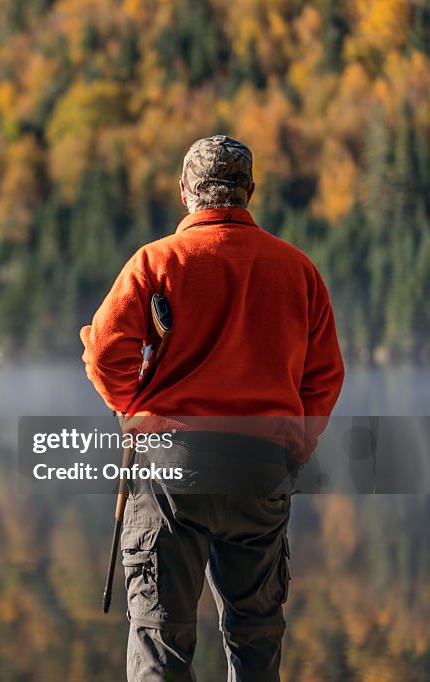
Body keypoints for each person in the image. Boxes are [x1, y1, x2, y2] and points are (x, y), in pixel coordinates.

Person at [79, 135, 345, 681]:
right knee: (255, 634)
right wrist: (295, 443)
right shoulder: (298, 270)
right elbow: (324, 377)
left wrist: (135, 410)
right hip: (261, 469)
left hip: (170, 466)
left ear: (185, 192)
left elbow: (106, 351)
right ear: (248, 191)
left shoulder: (156, 261)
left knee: (160, 638)